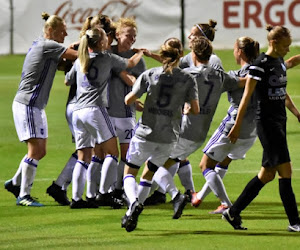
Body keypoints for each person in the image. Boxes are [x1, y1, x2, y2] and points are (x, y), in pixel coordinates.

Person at [146, 37, 245, 212]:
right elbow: (242, 81)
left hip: (183, 132)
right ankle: (149, 197)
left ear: (194, 54)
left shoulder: (188, 75)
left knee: (154, 167)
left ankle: (173, 196)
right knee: (167, 163)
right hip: (198, 137)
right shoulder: (220, 76)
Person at [223, 25, 300, 232]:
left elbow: (283, 86)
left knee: (266, 175)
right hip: (267, 124)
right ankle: (295, 222)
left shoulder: (279, 62)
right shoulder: (259, 65)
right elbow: (246, 96)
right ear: (273, 43)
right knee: (286, 171)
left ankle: (233, 212)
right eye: (285, 46)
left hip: (279, 122)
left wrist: (297, 113)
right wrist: (237, 126)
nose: (288, 49)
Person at [121, 37, 200, 232]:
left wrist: (139, 103)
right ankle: (140, 211)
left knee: (130, 171)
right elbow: (195, 109)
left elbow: (129, 99)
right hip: (169, 137)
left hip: (145, 133)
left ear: (162, 54)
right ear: (181, 55)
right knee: (150, 171)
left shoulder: (150, 74)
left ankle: (133, 204)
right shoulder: (188, 79)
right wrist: (186, 108)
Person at [145, 19, 224, 205]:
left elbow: (212, 84)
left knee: (163, 156)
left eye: (193, 34)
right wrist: (152, 55)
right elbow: (175, 65)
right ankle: (185, 191)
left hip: (195, 118)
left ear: (201, 38)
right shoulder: (193, 57)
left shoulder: (212, 61)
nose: (188, 37)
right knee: (176, 156)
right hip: (187, 117)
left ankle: (154, 194)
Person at [65, 27, 144, 208]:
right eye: (105, 38)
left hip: (78, 112)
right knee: (112, 153)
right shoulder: (106, 58)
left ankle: (77, 199)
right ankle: (104, 193)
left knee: (83, 156)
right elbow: (130, 63)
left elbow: (67, 80)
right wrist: (139, 53)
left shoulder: (80, 59)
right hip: (95, 110)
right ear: (101, 42)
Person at [4, 12, 77, 207]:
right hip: (29, 104)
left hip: (35, 105)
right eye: (62, 32)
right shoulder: (48, 45)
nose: (65, 35)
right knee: (35, 150)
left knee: (40, 150)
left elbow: (63, 63)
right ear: (51, 31)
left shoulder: (43, 45)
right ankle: (24, 195)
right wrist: (92, 45)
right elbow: (78, 57)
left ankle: (15, 183)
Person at [46, 14, 117, 206]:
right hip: (81, 104)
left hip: (81, 106)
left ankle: (72, 189)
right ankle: (95, 191)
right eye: (102, 30)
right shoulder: (83, 49)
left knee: (87, 151)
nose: (106, 34)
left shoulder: (86, 49)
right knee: (93, 151)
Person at [190, 36, 260, 214]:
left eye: (235, 48)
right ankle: (200, 197)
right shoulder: (262, 72)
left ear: (240, 52)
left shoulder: (234, 76)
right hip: (253, 131)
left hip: (233, 125)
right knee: (224, 160)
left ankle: (227, 204)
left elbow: (214, 84)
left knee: (205, 165)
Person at [106, 17, 146, 202]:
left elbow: (138, 84)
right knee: (105, 154)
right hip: (104, 110)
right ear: (117, 35)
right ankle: (103, 191)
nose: (132, 39)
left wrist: (119, 71)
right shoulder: (107, 53)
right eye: (129, 35)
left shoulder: (138, 60)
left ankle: (119, 189)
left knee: (127, 153)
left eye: (134, 36)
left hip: (126, 112)